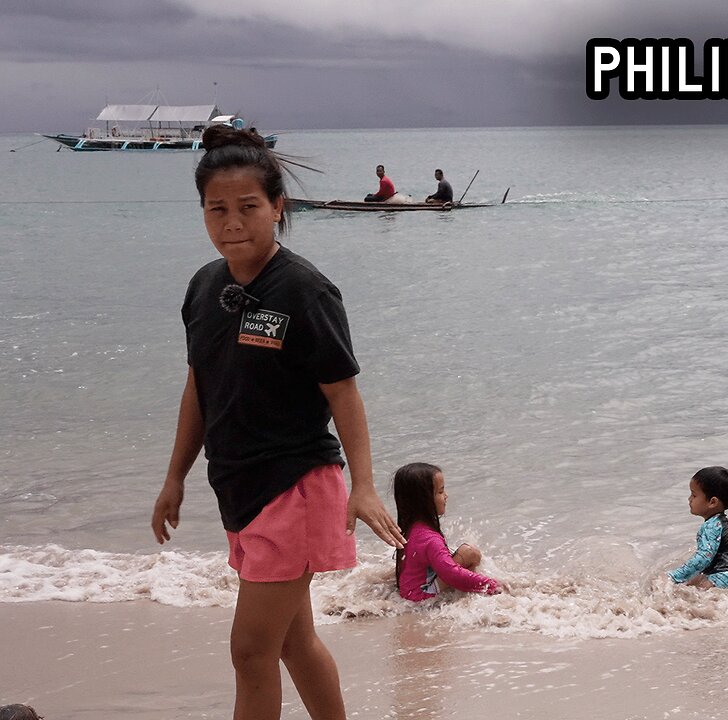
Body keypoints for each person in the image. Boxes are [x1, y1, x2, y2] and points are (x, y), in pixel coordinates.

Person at [150, 124, 405, 719]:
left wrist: (363, 485)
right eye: (217, 209)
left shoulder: (305, 290)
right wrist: (174, 477)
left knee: (249, 650)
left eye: (248, 207)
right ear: (203, 212)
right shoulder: (205, 287)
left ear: (277, 208)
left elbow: (343, 393)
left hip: (295, 487)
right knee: (292, 640)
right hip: (239, 486)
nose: (232, 221)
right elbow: (199, 386)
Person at [392, 462, 506, 601]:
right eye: (440, 492)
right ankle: (469, 594)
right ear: (423, 500)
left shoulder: (412, 528)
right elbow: (451, 574)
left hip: (409, 591)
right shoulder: (429, 539)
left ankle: (467, 587)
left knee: (464, 555)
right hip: (420, 596)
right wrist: (492, 586)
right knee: (470, 554)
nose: (446, 496)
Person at [668, 466, 728, 589]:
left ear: (712, 502)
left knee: (697, 590)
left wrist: (674, 576)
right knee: (692, 582)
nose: (689, 499)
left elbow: (703, 557)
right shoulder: (722, 523)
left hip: (726, 577)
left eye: (694, 495)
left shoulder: (712, 526)